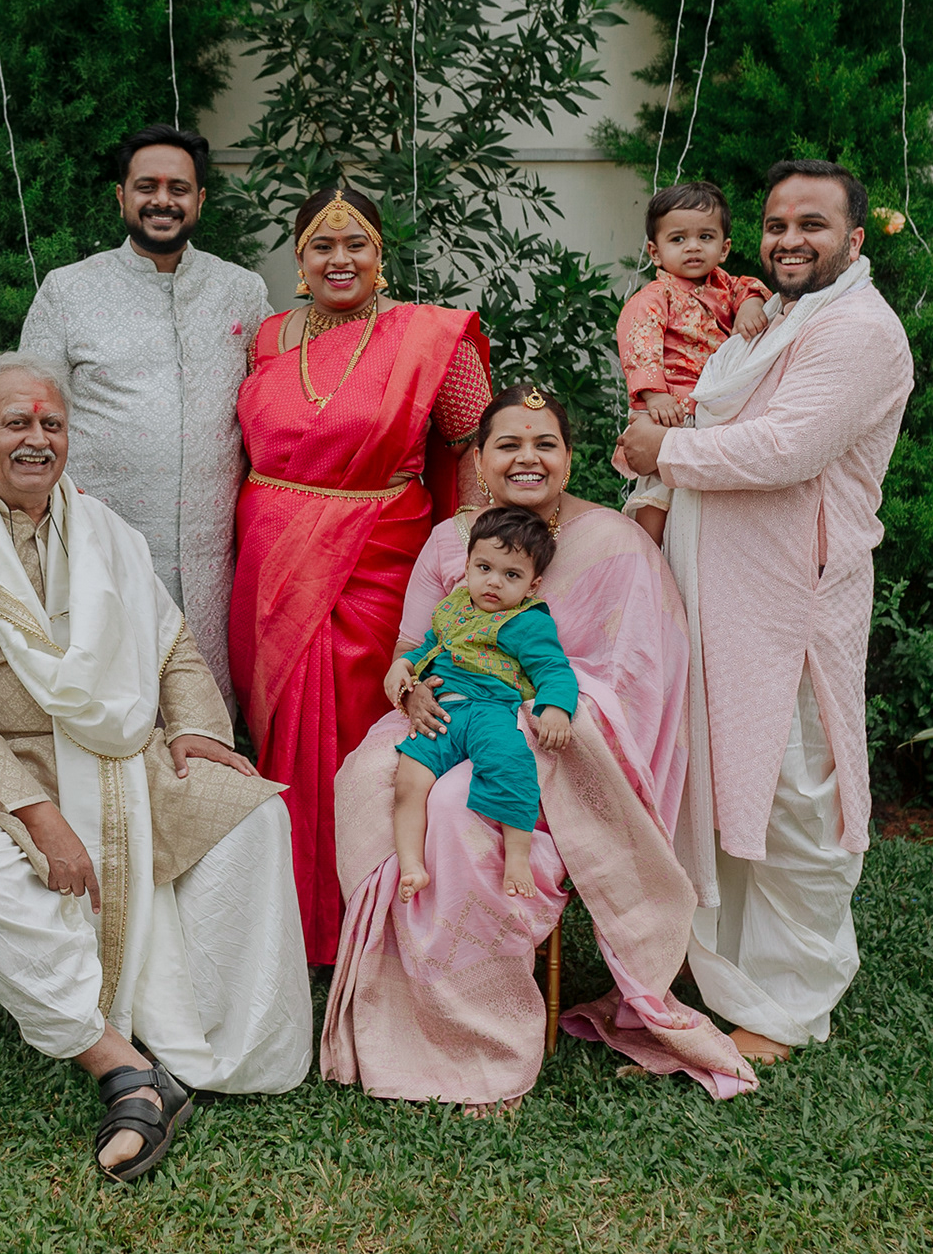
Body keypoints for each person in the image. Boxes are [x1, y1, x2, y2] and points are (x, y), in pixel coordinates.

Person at [0, 352, 312, 1182]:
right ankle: (122, 1066)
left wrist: (197, 727)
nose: (36, 438)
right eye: (16, 422)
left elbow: (171, 643)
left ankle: (214, 1035)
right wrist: (41, 815)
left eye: (52, 424)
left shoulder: (104, 530)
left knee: (255, 814)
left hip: (119, 751)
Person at [323, 385, 756, 1108]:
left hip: (551, 742)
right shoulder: (449, 541)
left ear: (569, 457)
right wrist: (410, 691)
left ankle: (485, 1040)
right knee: (368, 777)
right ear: (480, 461)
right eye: (508, 444)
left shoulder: (614, 542)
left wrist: (536, 715)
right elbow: (408, 651)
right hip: (445, 712)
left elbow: (637, 680)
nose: (527, 458)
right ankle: (400, 1013)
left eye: (544, 443)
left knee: (461, 809)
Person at [615, 159, 913, 1065]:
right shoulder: (773, 316)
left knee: (794, 793)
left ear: (853, 238)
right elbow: (707, 413)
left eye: (812, 225)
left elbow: (787, 448)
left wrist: (663, 453)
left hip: (793, 600)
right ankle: (725, 972)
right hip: (718, 590)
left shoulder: (859, 329)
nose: (790, 239)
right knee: (723, 784)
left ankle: (788, 1004)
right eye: (778, 223)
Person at [233, 185, 493, 964]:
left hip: (380, 561)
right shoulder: (270, 338)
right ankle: (291, 921)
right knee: (282, 734)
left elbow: (474, 446)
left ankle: (375, 914)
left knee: (363, 731)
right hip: (272, 564)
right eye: (322, 245)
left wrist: (470, 551)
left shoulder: (430, 337)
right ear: (300, 259)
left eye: (357, 245)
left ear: (381, 257)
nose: (339, 259)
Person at [19, 124, 273, 698]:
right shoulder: (68, 290)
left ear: (200, 199)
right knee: (108, 704)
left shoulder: (242, 291)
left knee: (205, 711)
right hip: (99, 549)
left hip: (214, 560)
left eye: (178, 188)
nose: (163, 200)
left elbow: (273, 405)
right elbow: (30, 415)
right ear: (121, 196)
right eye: (147, 186)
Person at [386, 507, 578, 905]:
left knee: (511, 765)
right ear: (468, 566)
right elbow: (429, 648)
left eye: (511, 575)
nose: (493, 582)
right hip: (440, 713)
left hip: (489, 709)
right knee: (408, 783)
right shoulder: (454, 606)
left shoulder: (527, 622)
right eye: (484, 568)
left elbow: (552, 667)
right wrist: (405, 666)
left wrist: (556, 708)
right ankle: (412, 865)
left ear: (532, 585)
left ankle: (518, 859)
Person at [612, 181, 771, 547]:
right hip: (668, 405)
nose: (693, 246)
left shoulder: (726, 286)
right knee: (658, 487)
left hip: (710, 406)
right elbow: (639, 342)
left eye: (705, 237)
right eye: (678, 239)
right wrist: (654, 394)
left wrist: (750, 305)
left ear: (724, 247)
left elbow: (748, 287)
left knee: (698, 493)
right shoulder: (656, 296)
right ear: (655, 252)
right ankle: (645, 552)